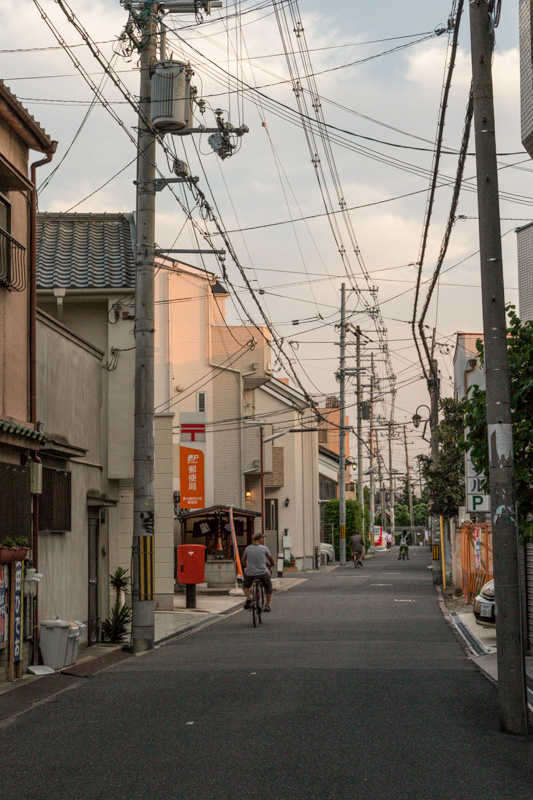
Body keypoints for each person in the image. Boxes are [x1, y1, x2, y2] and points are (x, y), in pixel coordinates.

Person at [242, 532, 275, 612]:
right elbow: (271, 559)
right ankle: (267, 605)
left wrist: (247, 565)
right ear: (260, 539)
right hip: (262, 573)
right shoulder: (264, 548)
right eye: (262, 538)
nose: (263, 539)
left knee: (245, 586)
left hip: (250, 573)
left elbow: (243, 560)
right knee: (268, 587)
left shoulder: (248, 548)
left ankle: (248, 597)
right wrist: (272, 564)